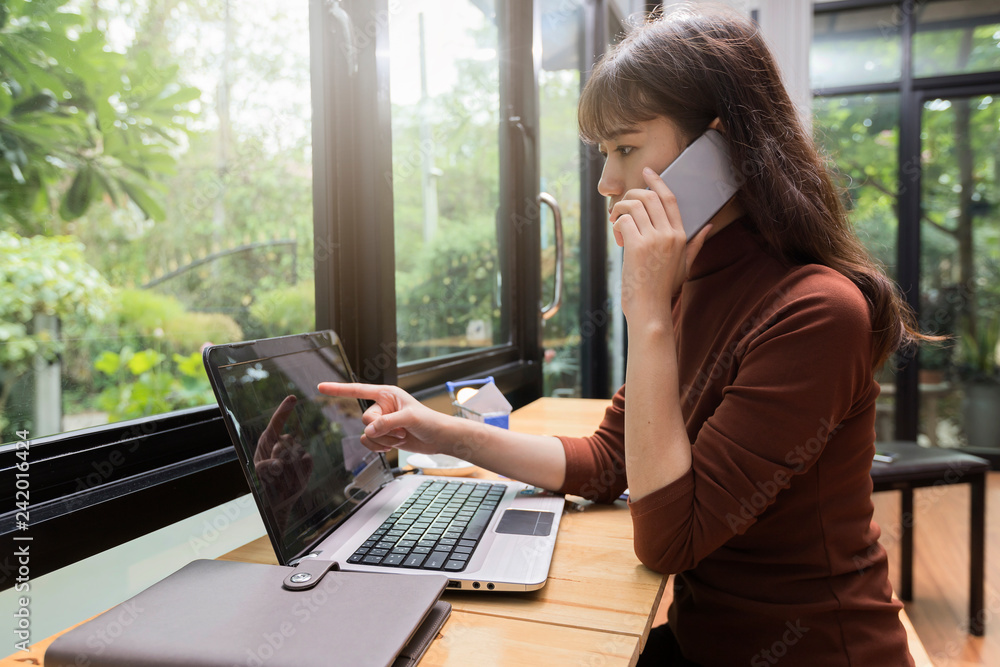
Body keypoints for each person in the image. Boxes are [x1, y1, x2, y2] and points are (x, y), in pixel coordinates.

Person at [319, 5, 927, 665]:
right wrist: (436, 431)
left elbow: (670, 538)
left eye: (626, 149)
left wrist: (649, 314)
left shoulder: (816, 311)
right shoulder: (692, 279)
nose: (607, 182)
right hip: (707, 640)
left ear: (719, 148)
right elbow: (609, 462)